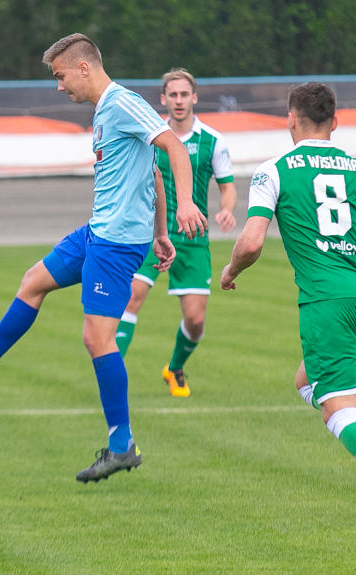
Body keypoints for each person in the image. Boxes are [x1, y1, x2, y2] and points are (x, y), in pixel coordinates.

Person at [0, 33, 207, 483]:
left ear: (83, 68)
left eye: (60, 76)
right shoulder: (105, 113)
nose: (59, 86)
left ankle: (122, 446)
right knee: (33, 282)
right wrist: (160, 233)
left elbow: (172, 147)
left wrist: (188, 205)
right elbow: (152, 172)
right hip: (99, 232)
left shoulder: (122, 102)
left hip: (116, 243)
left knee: (97, 340)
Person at [221, 82, 356, 523]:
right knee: (306, 380)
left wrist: (232, 270)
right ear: (335, 122)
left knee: (336, 405)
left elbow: (252, 241)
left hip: (326, 301)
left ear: (290, 119)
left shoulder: (272, 170)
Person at [115, 68, 237, 398]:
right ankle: (112, 381)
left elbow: (228, 187)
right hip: (148, 234)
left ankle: (174, 368)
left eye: (185, 94)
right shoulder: (150, 138)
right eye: (173, 95)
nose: (179, 101)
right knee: (130, 298)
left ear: (194, 98)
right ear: (163, 99)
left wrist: (226, 208)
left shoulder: (212, 141)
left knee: (195, 321)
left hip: (192, 239)